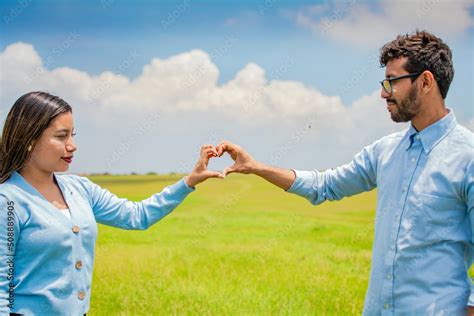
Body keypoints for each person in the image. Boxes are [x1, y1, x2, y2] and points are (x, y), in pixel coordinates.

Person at [216, 30, 474, 315]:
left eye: (392, 81)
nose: (383, 92)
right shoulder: (385, 152)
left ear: (425, 82)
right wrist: (257, 167)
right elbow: (325, 186)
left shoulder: (467, 157)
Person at [0, 91, 223, 315]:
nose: (72, 145)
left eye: (72, 135)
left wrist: (188, 182)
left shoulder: (80, 188)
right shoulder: (8, 201)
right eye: (61, 136)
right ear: (29, 140)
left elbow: (137, 215)